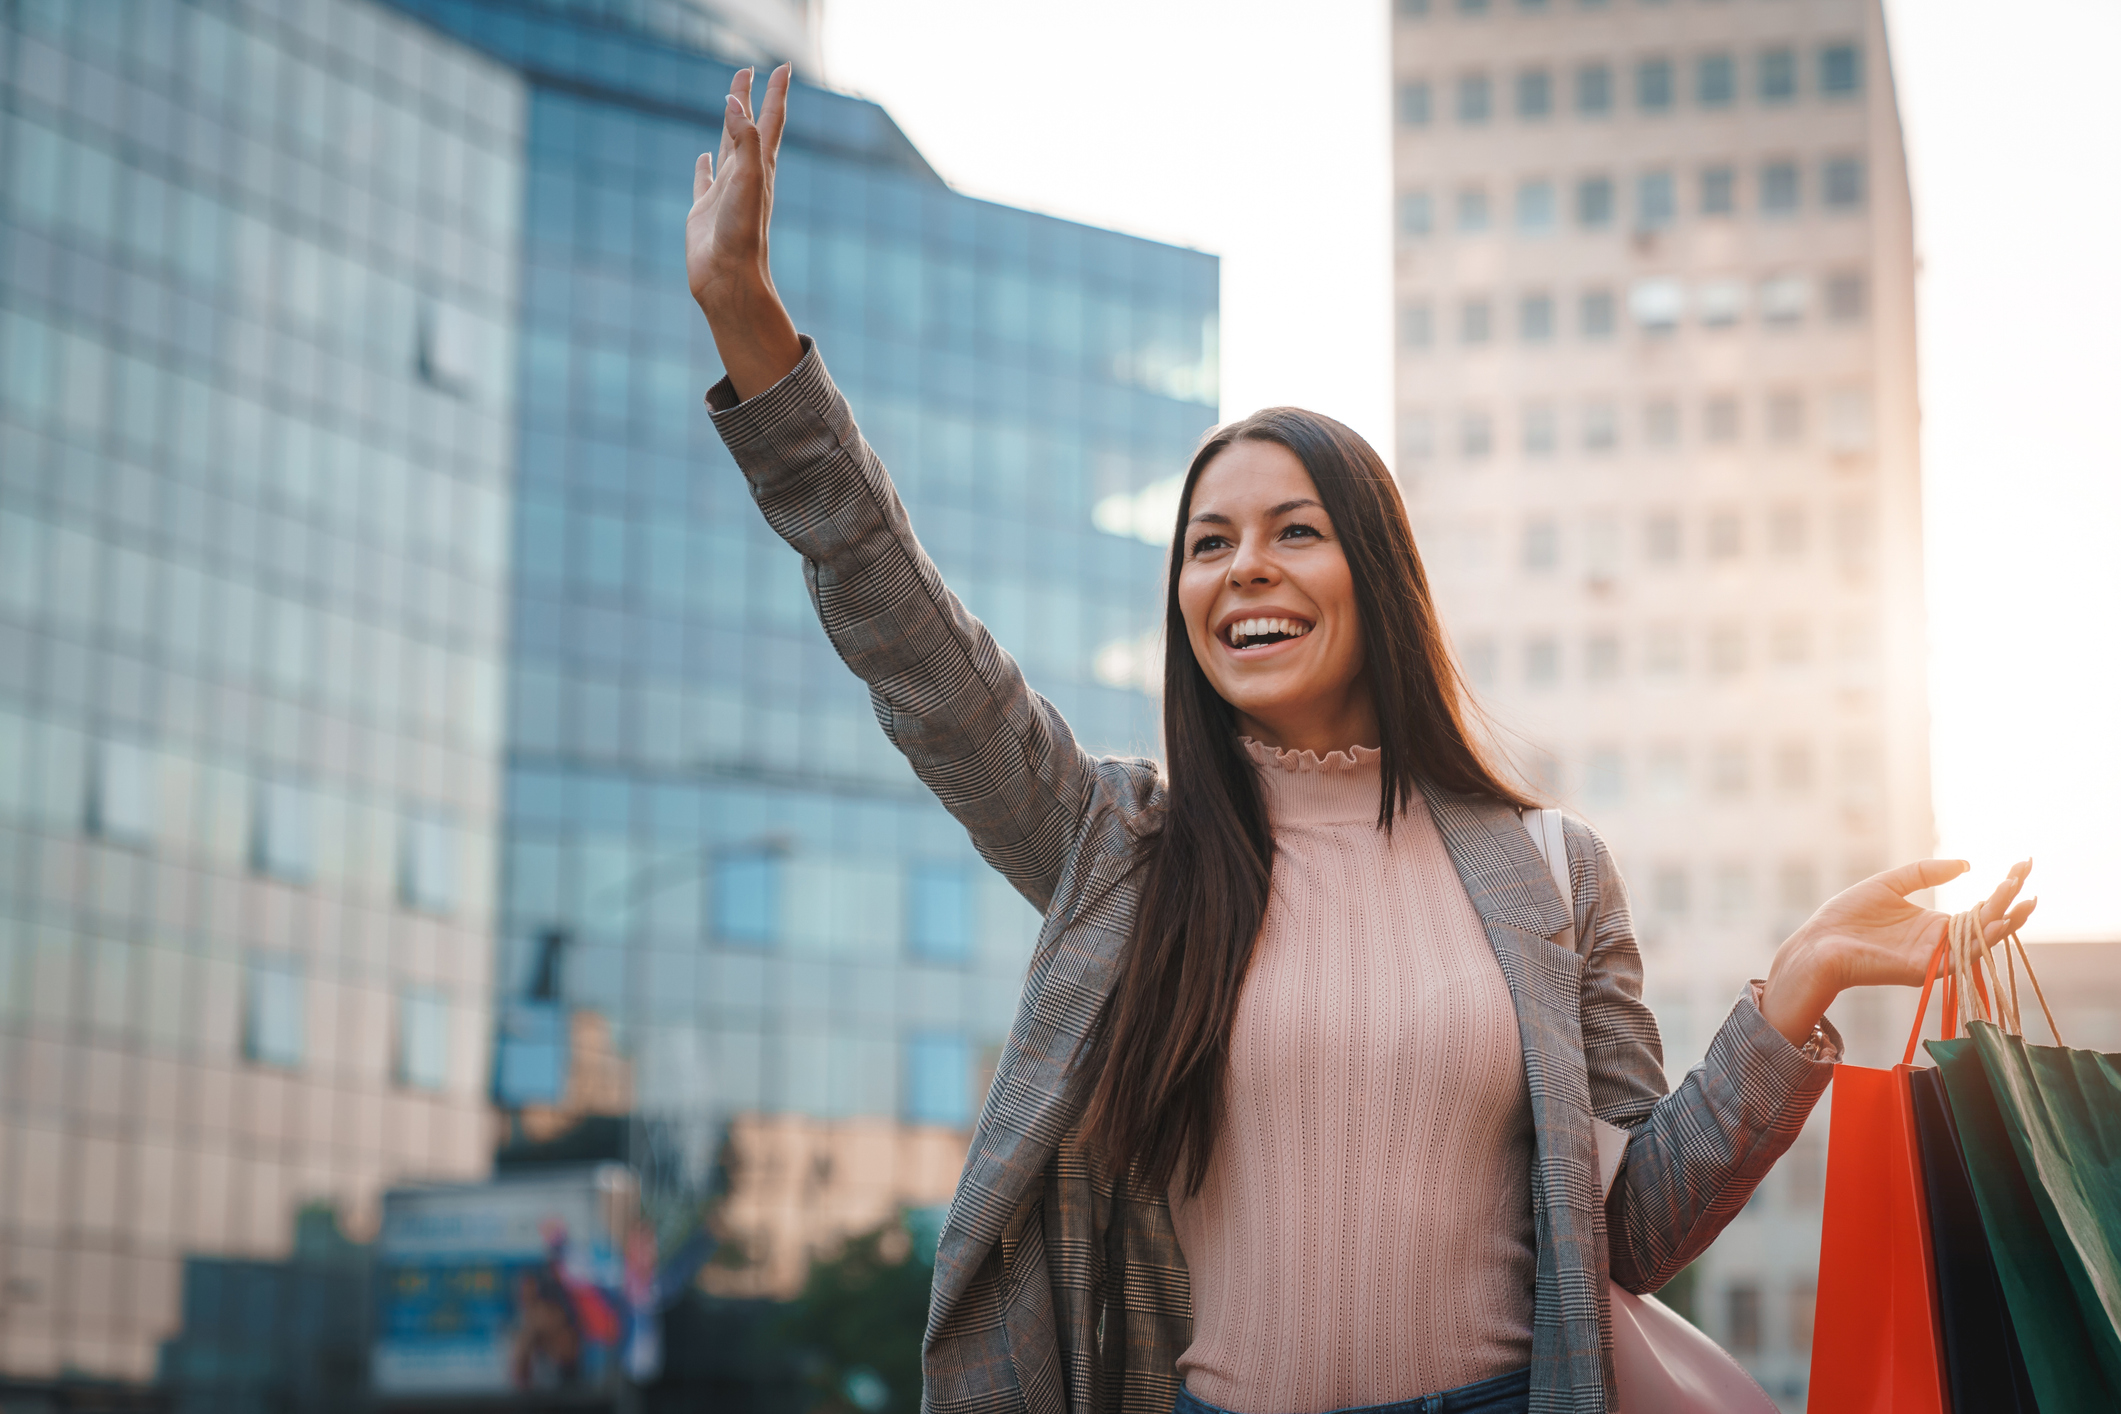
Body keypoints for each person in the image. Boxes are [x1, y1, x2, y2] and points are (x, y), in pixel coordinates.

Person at [683, 66, 2036, 1414]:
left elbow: (1628, 1233)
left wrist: (1796, 984)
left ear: (1372, 574)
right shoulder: (1128, 851)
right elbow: (920, 651)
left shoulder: (1552, 873)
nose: (1241, 571)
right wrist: (753, 328)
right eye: (1208, 544)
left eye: (1292, 531)